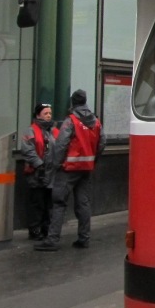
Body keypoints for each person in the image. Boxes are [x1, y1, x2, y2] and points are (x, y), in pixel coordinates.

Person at [34, 89, 106, 252]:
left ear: (73, 102)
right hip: (86, 168)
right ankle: (84, 238)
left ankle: (52, 239)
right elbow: (102, 143)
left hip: (69, 168)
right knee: (83, 203)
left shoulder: (71, 121)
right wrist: (93, 160)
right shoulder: (96, 121)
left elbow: (61, 144)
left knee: (59, 202)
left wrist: (56, 164)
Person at [19, 102, 58, 241]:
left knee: (49, 204)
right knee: (37, 203)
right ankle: (35, 230)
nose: (48, 116)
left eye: (50, 113)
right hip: (37, 174)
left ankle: (46, 228)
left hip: (51, 175)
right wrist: (39, 165)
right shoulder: (31, 131)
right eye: (45, 113)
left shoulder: (54, 131)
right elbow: (28, 150)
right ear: (38, 115)